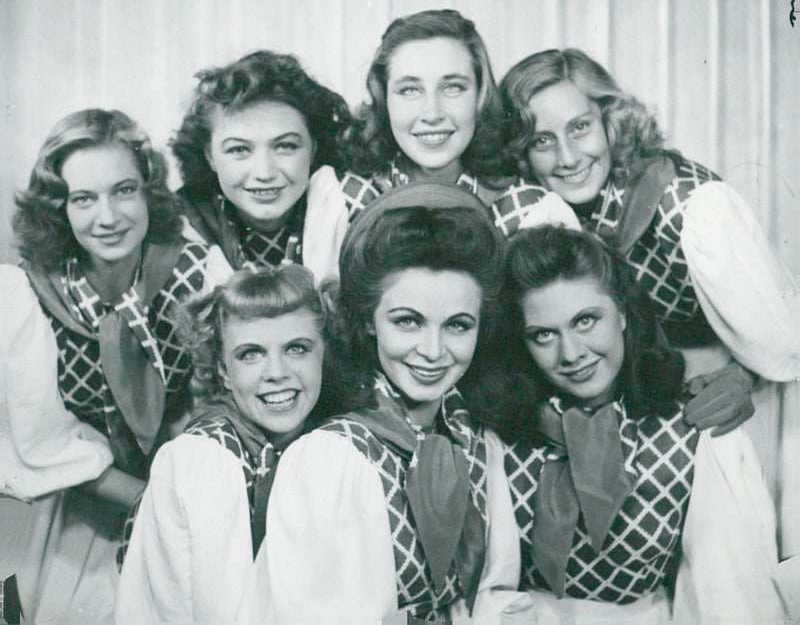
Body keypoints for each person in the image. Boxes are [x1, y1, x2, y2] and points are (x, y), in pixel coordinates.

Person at [493, 48, 799, 557]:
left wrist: (742, 378)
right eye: (542, 141)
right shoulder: (545, 212)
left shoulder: (692, 205)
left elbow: (785, 341)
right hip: (645, 410)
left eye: (580, 128)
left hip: (736, 405)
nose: (567, 158)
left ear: (611, 120)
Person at [240, 184, 520, 623]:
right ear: (367, 320)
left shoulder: (475, 439)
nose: (433, 350)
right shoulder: (331, 458)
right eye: (407, 321)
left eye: (458, 325)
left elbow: (495, 595)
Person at [481, 225, 785, 623]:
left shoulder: (693, 427)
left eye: (586, 320)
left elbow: (727, 597)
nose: (571, 353)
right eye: (543, 335)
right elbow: (490, 591)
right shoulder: (500, 436)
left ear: (622, 313)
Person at [1, 109, 229, 624]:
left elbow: (225, 402)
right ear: (59, 208)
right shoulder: (27, 295)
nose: (108, 217)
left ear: (149, 192)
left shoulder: (199, 273)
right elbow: (43, 443)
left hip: (188, 491)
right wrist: (146, 501)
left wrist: (178, 498)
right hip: (83, 500)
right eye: (84, 198)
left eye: (124, 190)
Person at [115, 265, 337, 622]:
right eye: (251, 353)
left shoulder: (328, 443)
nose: (276, 372)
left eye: (297, 348)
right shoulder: (206, 461)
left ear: (323, 353)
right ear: (222, 370)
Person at [340, 9, 540, 217]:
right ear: (384, 98)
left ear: (481, 95)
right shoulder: (346, 201)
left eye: (452, 88)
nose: (432, 114)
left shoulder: (528, 210)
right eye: (410, 90)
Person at [172, 49, 352, 281]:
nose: (264, 173)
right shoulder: (177, 228)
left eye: (285, 146)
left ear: (314, 147)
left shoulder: (349, 207)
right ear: (209, 156)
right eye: (239, 149)